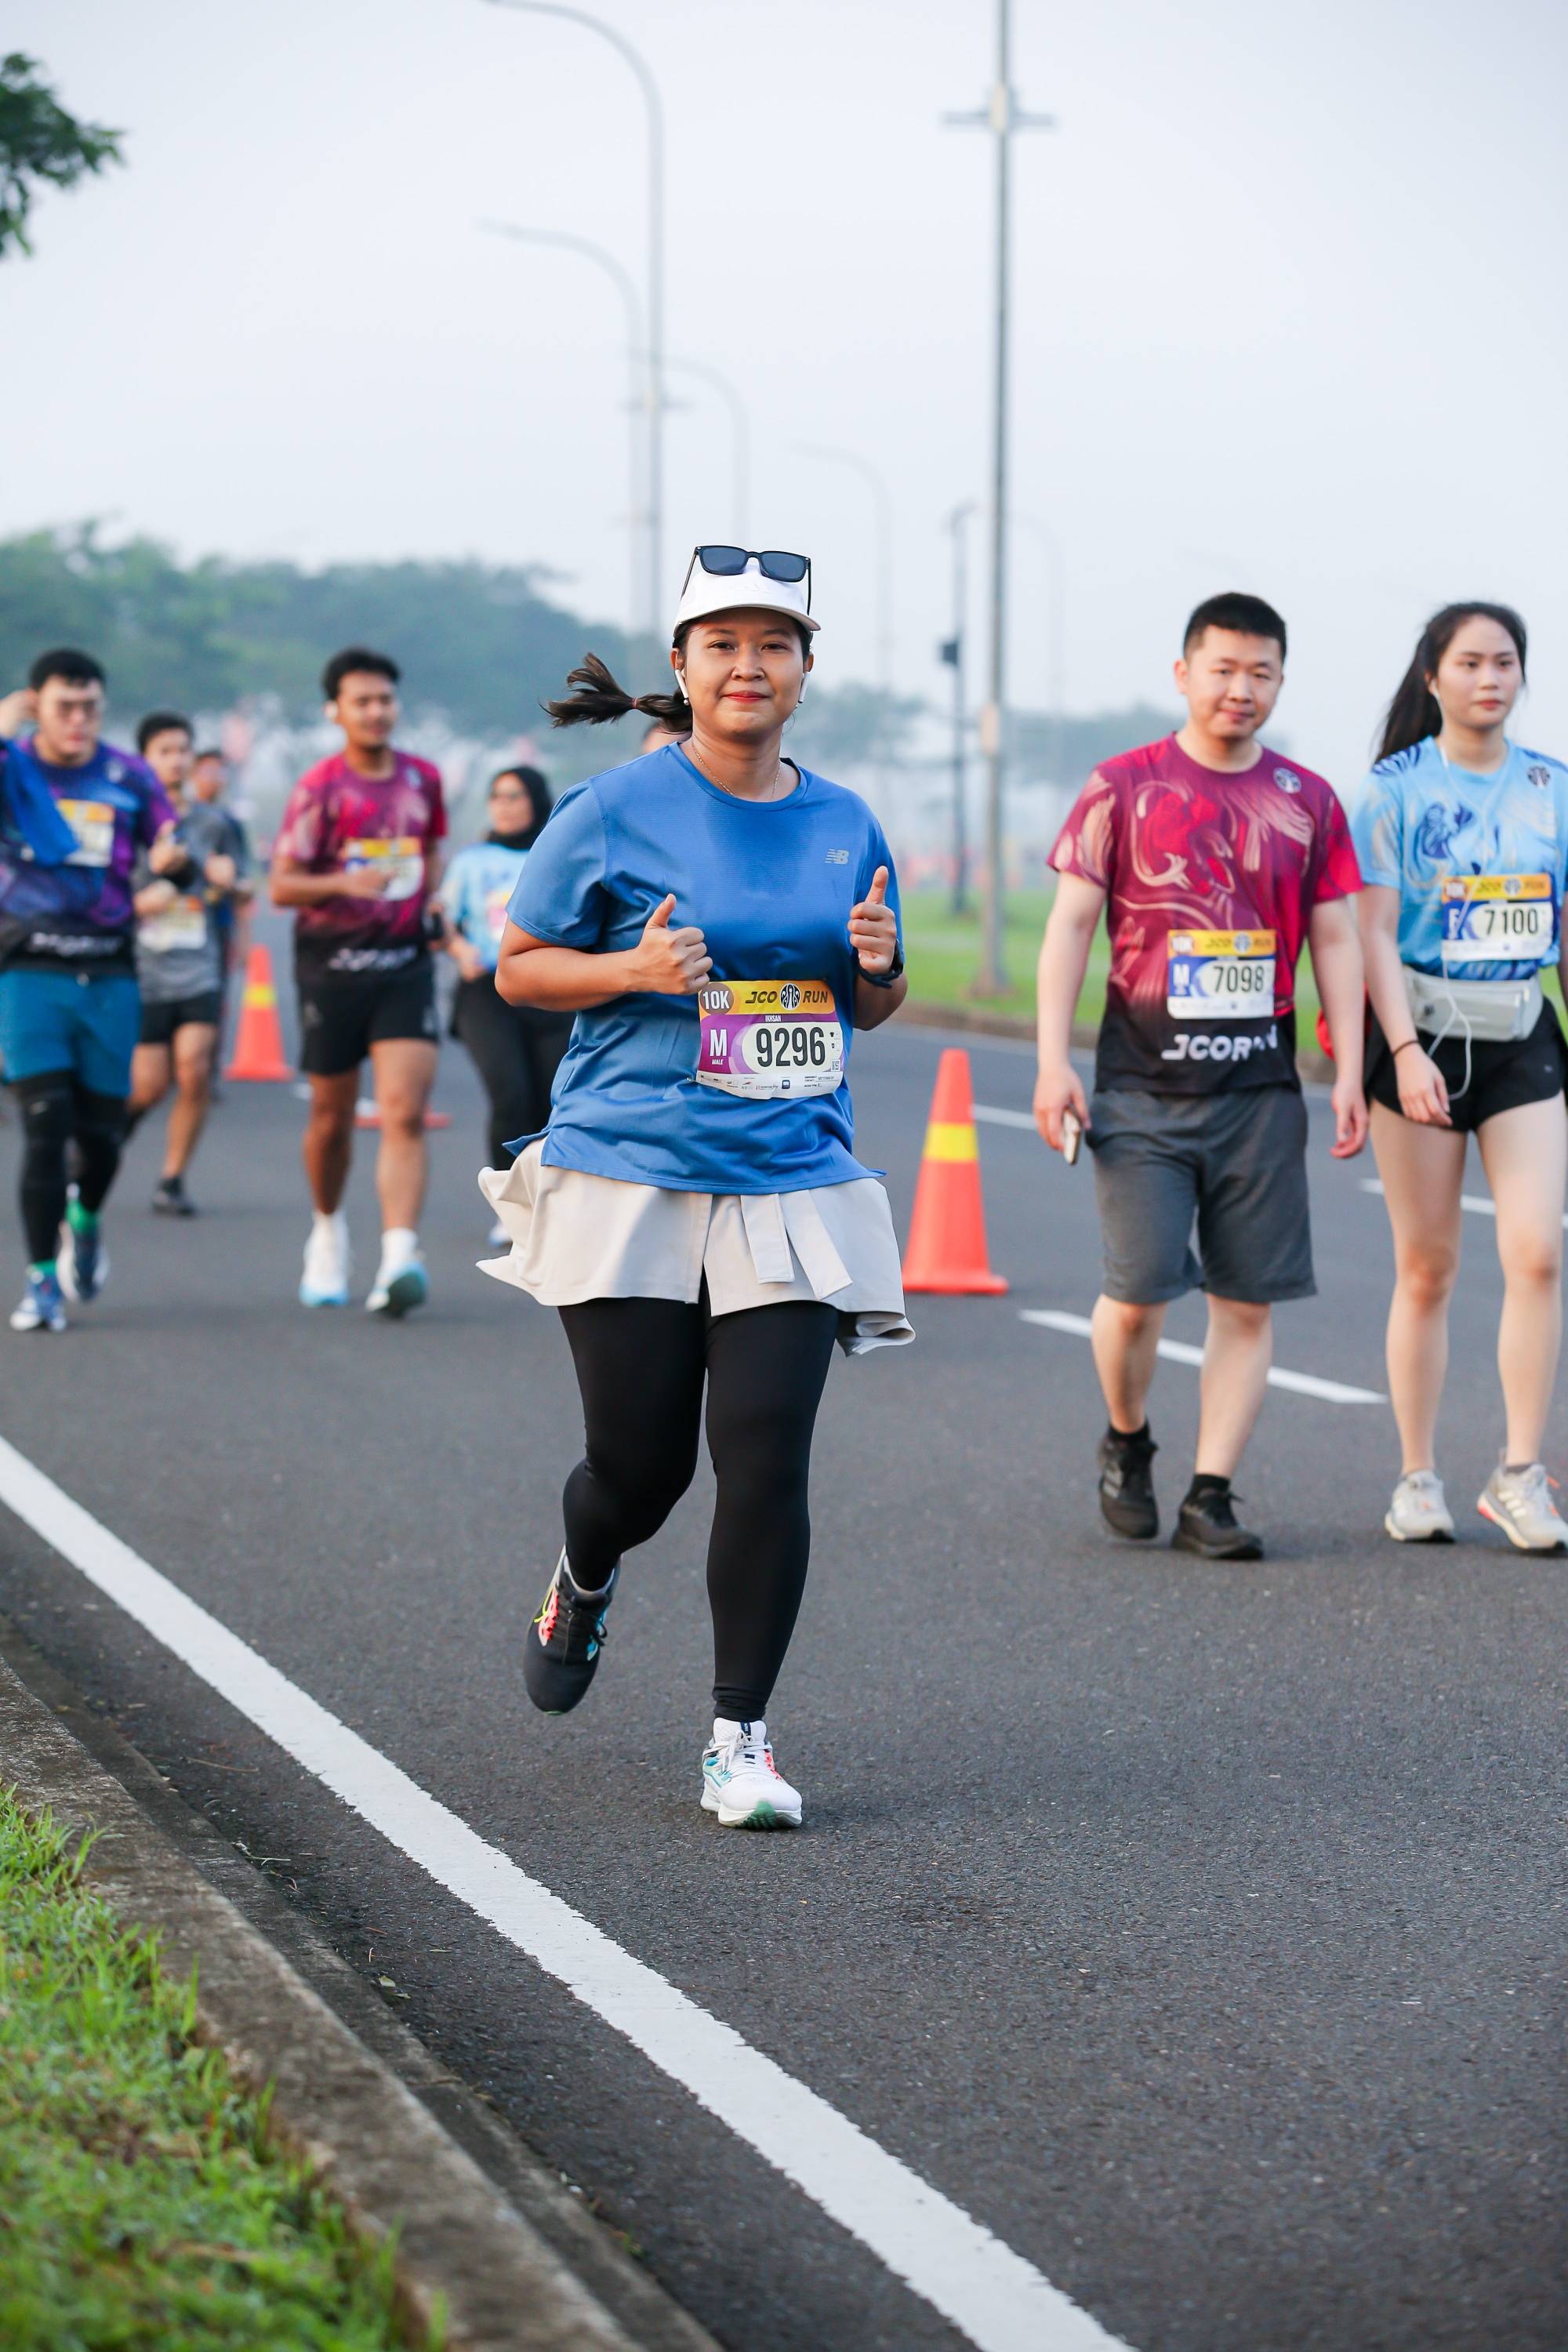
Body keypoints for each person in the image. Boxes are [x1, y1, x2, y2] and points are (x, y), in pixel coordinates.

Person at [485, 546, 912, 1831]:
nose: (748, 665)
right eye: (723, 643)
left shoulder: (847, 822)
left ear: (806, 668)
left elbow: (868, 1005)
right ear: (683, 665)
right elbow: (519, 967)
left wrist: (879, 969)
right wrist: (632, 972)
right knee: (642, 1468)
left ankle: (740, 1740)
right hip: (636, 1166)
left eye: (774, 644)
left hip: (789, 1170)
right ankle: (585, 1569)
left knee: (767, 1452)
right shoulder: (614, 809)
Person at [1033, 591, 1367, 1560]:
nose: (1240, 689)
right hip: (1139, 1087)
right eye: (1222, 669)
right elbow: (1070, 926)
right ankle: (1127, 1437)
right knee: (1136, 1294)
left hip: (1258, 1095)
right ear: (1183, 674)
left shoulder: (1307, 801)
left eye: (1260, 672)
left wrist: (1347, 1067)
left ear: (1279, 681)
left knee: (1245, 1301)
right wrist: (1052, 1063)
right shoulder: (1121, 786)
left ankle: (1209, 1494)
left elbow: (1335, 937)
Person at [1352, 603, 1568, 1550]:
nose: (1489, 679)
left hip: (1521, 1034)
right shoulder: (1391, 790)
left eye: (1504, 662)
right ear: (1431, 676)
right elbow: (1369, 932)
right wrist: (1401, 1053)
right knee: (1427, 1267)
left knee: (1536, 1253)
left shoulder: (1551, 788)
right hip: (1421, 1038)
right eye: (1470, 662)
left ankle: (1519, 1474)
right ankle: (1415, 1476)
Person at [0, 651, 182, 1331]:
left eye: (90, 708)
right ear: (35, 705)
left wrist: (177, 865)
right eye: (64, 707)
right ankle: (41, 1281)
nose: (78, 720)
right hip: (28, 972)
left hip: (109, 974)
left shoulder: (128, 776)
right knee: (45, 1124)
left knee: (101, 1139)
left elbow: (177, 856)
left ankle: (85, 1217)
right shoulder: (11, 765)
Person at [270, 648, 445, 1315]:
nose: (376, 712)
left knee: (403, 1110)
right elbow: (282, 885)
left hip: (404, 966)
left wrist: (432, 899)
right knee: (331, 1120)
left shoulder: (423, 779)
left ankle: (400, 1256)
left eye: (385, 700)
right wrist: (345, 883)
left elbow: (430, 850)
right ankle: (327, 1231)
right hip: (331, 970)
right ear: (335, 711)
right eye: (362, 701)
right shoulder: (320, 788)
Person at [439, 764, 572, 1238]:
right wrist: (458, 950)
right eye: (497, 796)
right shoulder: (471, 861)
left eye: (515, 796)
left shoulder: (557, 854)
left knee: (552, 1099)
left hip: (552, 990)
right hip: (487, 991)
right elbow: (441, 918)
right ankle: (511, 1209)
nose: (505, 805)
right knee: (510, 1094)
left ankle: (549, 1205)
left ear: (536, 800)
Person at [126, 713, 249, 1214]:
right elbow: (98, 893)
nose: (177, 761)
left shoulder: (214, 823)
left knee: (195, 1070)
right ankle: (107, 1137)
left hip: (199, 964)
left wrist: (231, 881)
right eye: (165, 751)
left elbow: (243, 887)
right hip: (140, 969)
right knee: (149, 1086)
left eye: (184, 750)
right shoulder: (127, 818)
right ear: (144, 759)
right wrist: (138, 904)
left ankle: (172, 1178)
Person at [188, 746, 252, 1075]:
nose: (213, 779)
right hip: (173, 921)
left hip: (216, 922)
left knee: (214, 997)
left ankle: (206, 1071)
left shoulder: (230, 823)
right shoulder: (173, 814)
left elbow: (244, 883)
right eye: (206, 771)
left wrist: (244, 938)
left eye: (219, 772)